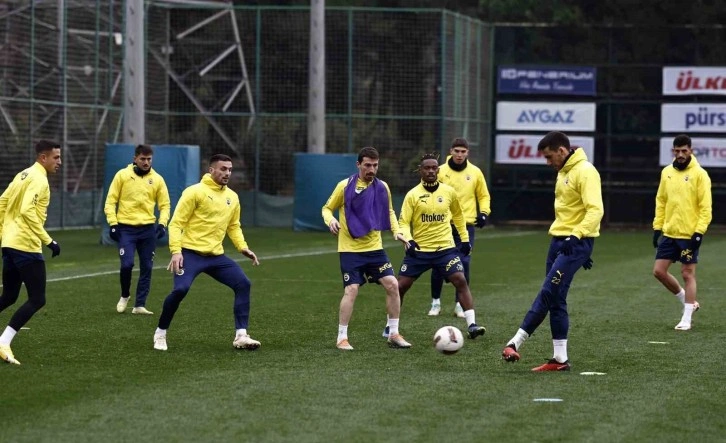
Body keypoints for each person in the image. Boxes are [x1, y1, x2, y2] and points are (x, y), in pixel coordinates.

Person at [502, 131, 603, 371]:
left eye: (549, 157)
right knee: (557, 299)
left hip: (574, 242)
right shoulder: (563, 172)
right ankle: (560, 360)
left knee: (548, 292)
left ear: (562, 150)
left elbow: (595, 210)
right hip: (560, 242)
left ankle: (514, 343)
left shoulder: (586, 171)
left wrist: (578, 238)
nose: (548, 162)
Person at [153, 154, 260, 351]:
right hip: (190, 254)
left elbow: (233, 226)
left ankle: (241, 336)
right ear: (211, 170)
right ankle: (160, 332)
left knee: (243, 284)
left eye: (230, 169)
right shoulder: (194, 192)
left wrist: (242, 247)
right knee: (180, 290)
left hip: (216, 257)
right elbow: (176, 223)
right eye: (223, 169)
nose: (227, 173)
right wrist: (176, 252)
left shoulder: (232, 197)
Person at [384, 152, 487, 340]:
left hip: (445, 250)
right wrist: (408, 240)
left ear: (438, 170)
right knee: (400, 286)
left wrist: (464, 240)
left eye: (434, 168)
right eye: (427, 168)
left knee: (460, 279)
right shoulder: (412, 195)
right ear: (420, 170)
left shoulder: (448, 192)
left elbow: (458, 217)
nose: (431, 171)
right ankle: (390, 327)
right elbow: (404, 222)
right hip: (419, 250)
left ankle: (472, 325)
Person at [322, 147, 412, 350]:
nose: (372, 169)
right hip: (350, 249)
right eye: (367, 165)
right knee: (352, 289)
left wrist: (397, 232)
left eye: (375, 165)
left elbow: (389, 211)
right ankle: (342, 338)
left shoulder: (382, 187)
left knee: (393, 285)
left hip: (374, 248)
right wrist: (331, 220)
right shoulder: (344, 186)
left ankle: (393, 333)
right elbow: (326, 208)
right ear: (358, 165)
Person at [0, 140, 62, 365]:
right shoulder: (39, 179)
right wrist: (49, 241)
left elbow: (2, 202)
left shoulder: (23, 174)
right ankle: (3, 341)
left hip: (10, 244)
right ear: (43, 158)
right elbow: (27, 210)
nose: (60, 162)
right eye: (56, 157)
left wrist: (4, 234)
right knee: (37, 299)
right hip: (26, 245)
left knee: (9, 296)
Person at [652, 134, 711, 331]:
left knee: (687, 273)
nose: (680, 154)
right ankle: (688, 301)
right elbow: (661, 200)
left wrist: (699, 232)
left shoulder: (700, 174)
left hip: (689, 234)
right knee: (659, 271)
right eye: (677, 151)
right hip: (670, 233)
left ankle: (686, 318)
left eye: (684, 150)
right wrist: (657, 227)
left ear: (691, 151)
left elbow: (705, 207)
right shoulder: (667, 172)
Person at [104, 144, 171, 315]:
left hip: (148, 230)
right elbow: (110, 201)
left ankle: (139, 305)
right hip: (126, 229)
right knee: (127, 264)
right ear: (135, 159)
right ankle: (125, 295)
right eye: (142, 159)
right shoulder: (122, 175)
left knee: (147, 267)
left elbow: (165, 205)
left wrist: (162, 224)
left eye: (149, 159)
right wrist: (113, 224)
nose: (146, 162)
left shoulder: (157, 179)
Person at [429, 137, 491, 318]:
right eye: (456, 151)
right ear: (451, 151)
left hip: (466, 226)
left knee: (464, 264)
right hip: (442, 225)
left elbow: (483, 195)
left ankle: (459, 305)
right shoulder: (440, 171)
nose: (459, 155)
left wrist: (484, 213)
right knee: (438, 264)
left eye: (463, 151)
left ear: (467, 153)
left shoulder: (475, 172)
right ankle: (435, 302)